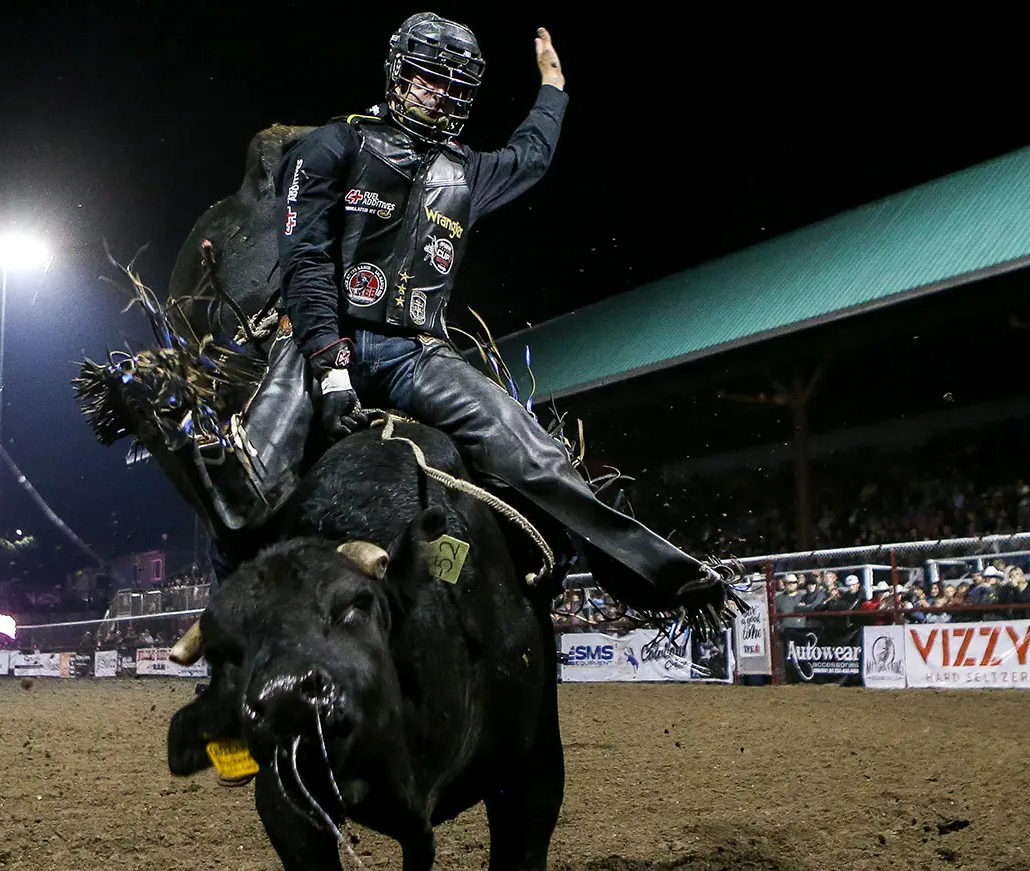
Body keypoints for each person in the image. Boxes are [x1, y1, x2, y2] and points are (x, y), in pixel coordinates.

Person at [275, 14, 724, 619]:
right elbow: (304, 257)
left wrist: (553, 87)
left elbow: (532, 154)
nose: (438, 96)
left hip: (419, 357)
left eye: (452, 87)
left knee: (537, 454)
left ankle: (658, 577)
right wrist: (329, 365)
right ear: (397, 76)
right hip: (328, 342)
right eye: (427, 80)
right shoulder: (335, 143)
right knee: (252, 467)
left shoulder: (467, 171)